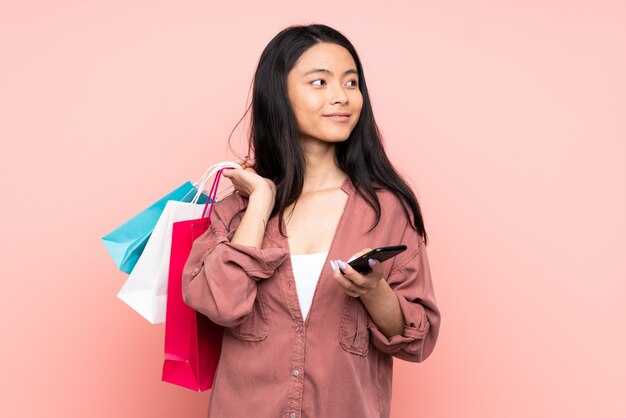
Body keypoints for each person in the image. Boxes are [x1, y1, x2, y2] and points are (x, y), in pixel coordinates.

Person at [182, 23, 441, 418]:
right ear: (279, 96)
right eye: (319, 82)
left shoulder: (386, 210)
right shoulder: (237, 210)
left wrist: (374, 291)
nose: (341, 96)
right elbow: (221, 305)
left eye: (351, 83)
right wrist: (261, 202)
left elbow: (416, 341)